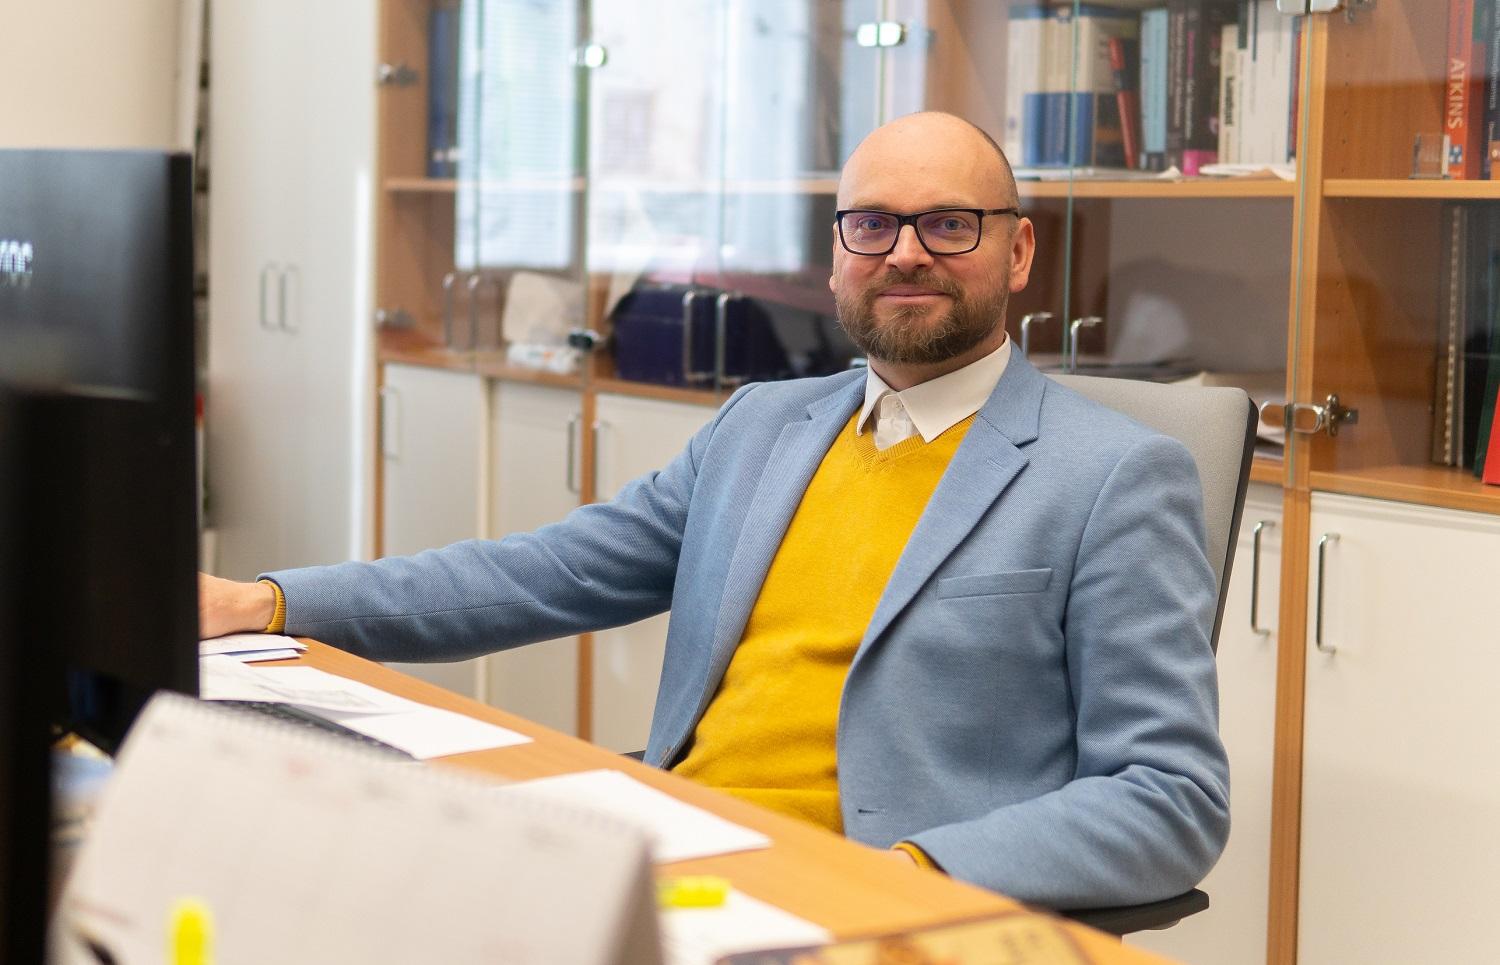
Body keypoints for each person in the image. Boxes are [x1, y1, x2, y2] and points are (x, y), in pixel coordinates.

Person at [200, 112, 1228, 910]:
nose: (905, 253)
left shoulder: (1115, 475)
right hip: (673, 850)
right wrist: (269, 601)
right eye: (873, 224)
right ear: (838, 253)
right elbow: (541, 572)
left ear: (1019, 252)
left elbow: (1170, 795)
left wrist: (915, 869)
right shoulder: (761, 425)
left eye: (949, 224)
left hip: (861, 901)